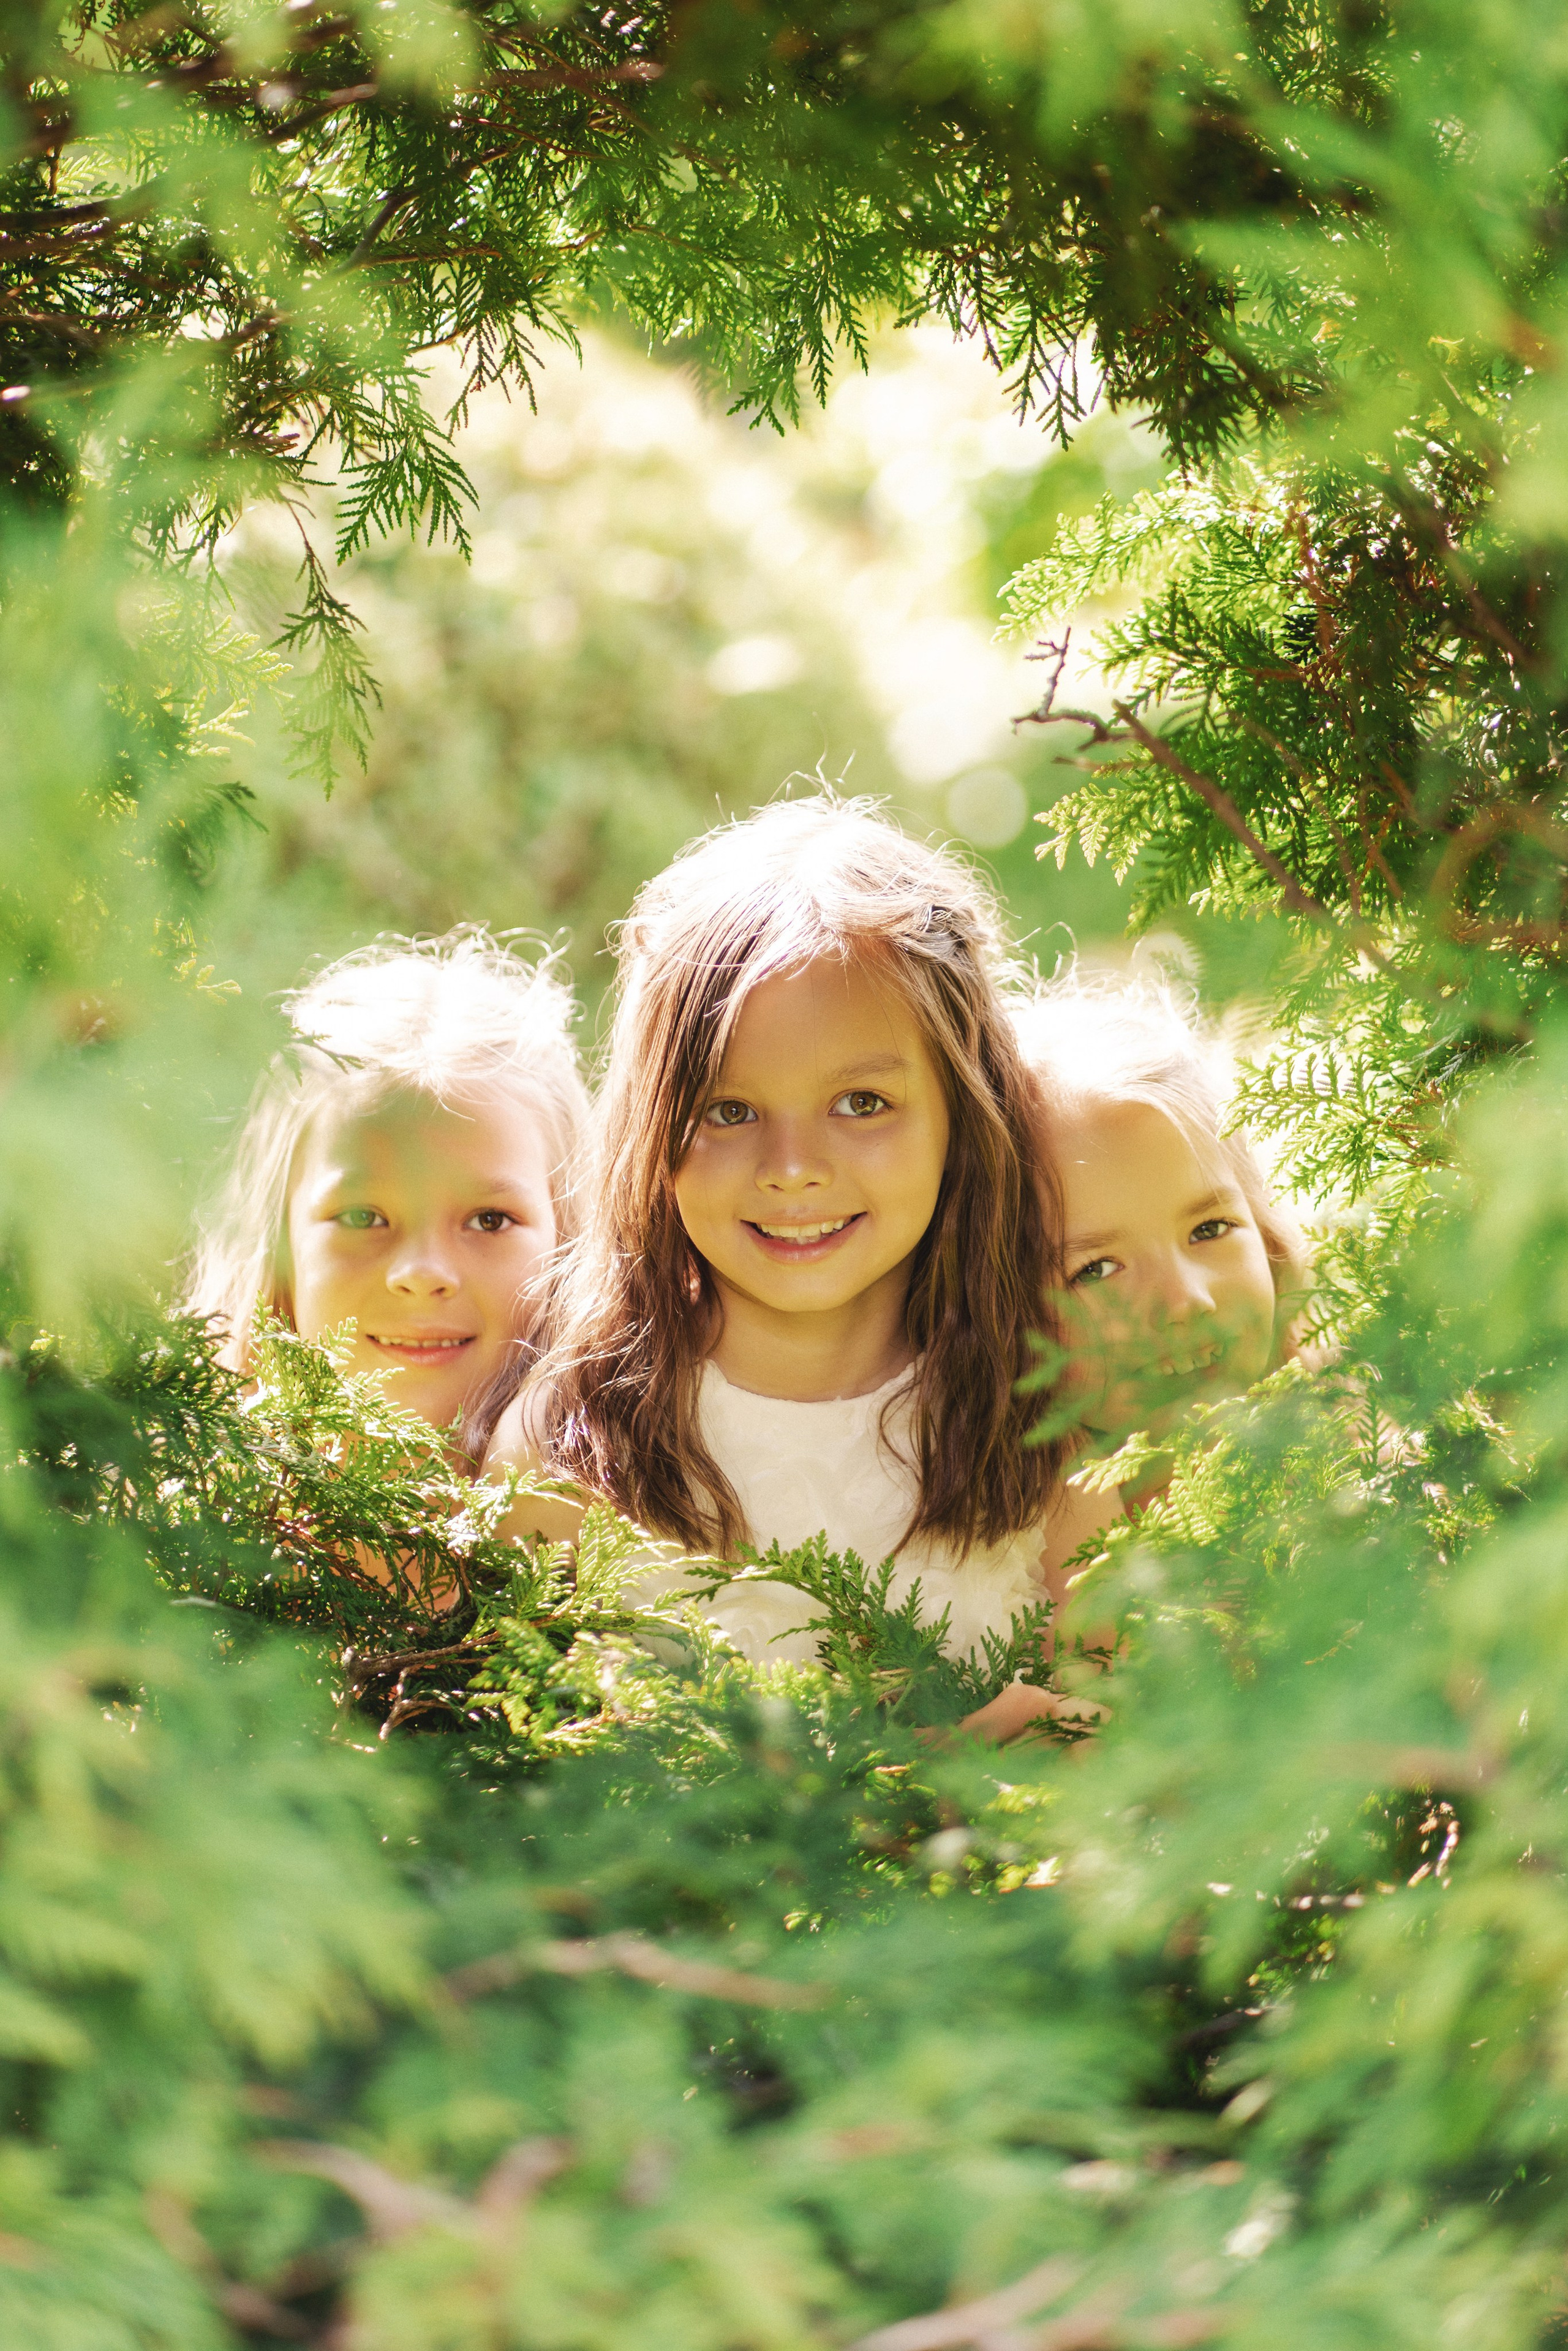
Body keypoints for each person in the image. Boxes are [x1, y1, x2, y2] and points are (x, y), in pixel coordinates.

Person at [485, 796, 1076, 1723]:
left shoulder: (1043, 1413)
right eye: (729, 1111)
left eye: (862, 1103)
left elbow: (1122, 1753)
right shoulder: (571, 1452)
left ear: (966, 1107)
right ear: (652, 1128)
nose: (793, 1170)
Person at [184, 928, 588, 1447]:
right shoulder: (160, 1503)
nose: (422, 1274)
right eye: (362, 1217)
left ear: (571, 1241)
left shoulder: (655, 1513)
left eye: (489, 1220)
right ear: (276, 1239)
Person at [1017, 969, 1310, 1543]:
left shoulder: (1345, 1422)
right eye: (1095, 1270)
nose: (1185, 1300)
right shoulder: (1033, 1535)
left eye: (1210, 1229)